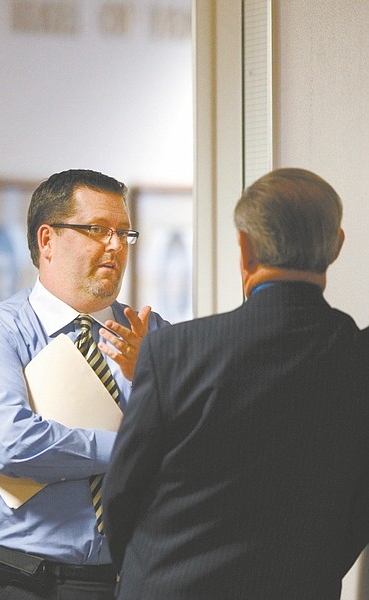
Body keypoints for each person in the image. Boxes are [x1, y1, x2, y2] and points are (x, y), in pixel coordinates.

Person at [103, 167, 369, 600]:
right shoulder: (359, 359)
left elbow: (120, 498)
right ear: (336, 246)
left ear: (244, 249)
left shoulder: (173, 351)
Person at [0, 168, 170, 600]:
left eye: (124, 233)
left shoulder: (153, 335)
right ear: (47, 240)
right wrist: (136, 444)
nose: (116, 246)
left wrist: (152, 380)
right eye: (97, 230)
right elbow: (12, 445)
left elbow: (199, 443)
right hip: (29, 582)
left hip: (143, 578)